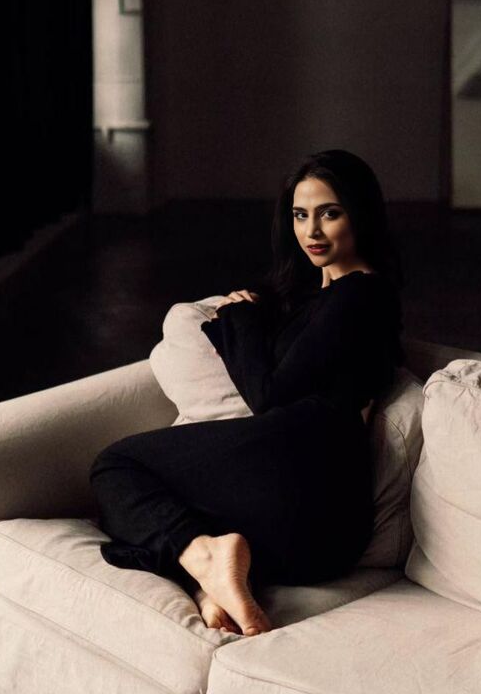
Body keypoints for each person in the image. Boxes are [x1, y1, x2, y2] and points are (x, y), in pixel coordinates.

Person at [88, 149, 405, 638]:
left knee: (117, 465)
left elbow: (269, 394)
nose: (312, 231)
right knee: (159, 507)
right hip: (319, 541)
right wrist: (255, 317)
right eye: (300, 215)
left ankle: (205, 563)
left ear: (361, 214)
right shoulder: (320, 298)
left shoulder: (361, 295)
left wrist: (242, 320)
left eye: (330, 213)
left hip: (310, 474)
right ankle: (210, 578)